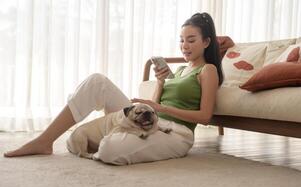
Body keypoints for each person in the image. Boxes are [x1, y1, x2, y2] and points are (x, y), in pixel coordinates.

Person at [4, 12, 223, 165]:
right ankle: (44, 141)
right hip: (150, 120)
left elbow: (204, 117)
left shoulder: (208, 70)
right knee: (97, 82)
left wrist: (157, 107)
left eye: (191, 40)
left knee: (108, 152)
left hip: (176, 133)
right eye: (182, 40)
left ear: (206, 42)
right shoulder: (182, 69)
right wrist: (160, 84)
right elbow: (156, 106)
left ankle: (110, 137)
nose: (184, 46)